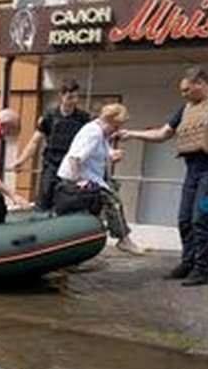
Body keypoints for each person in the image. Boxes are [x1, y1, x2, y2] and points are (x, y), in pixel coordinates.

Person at [120, 67, 208, 286]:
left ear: (200, 83)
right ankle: (188, 262)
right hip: (193, 169)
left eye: (186, 90)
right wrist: (132, 134)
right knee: (184, 219)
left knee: (200, 218)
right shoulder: (187, 109)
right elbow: (163, 133)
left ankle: (202, 270)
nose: (183, 95)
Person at [56, 103, 144, 255]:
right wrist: (79, 182)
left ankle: (121, 239)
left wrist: (111, 154)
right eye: (116, 126)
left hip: (91, 177)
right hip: (80, 178)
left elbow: (100, 152)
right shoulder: (94, 133)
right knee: (114, 202)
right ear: (110, 121)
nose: (116, 131)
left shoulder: (101, 133)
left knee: (113, 191)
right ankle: (124, 240)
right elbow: (75, 158)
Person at [15, 79, 92, 211]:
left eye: (76, 97)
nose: (73, 101)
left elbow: (91, 142)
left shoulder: (83, 118)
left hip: (71, 164)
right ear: (61, 97)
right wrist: (21, 161)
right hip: (51, 162)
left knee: (67, 199)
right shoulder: (49, 116)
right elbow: (35, 141)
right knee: (45, 196)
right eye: (69, 97)